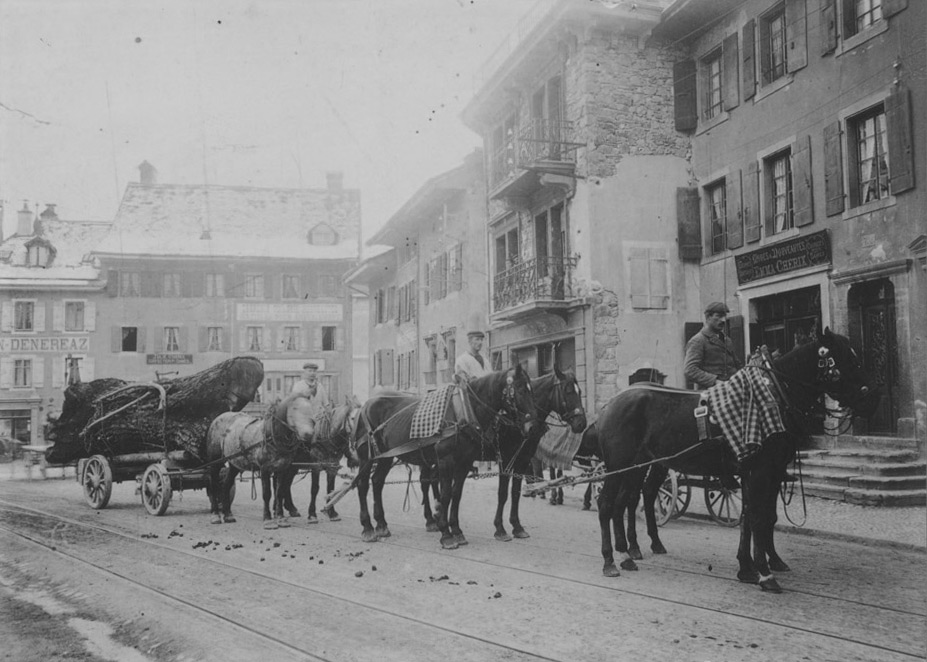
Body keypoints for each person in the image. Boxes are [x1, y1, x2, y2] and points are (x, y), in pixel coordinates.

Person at [684, 301, 742, 391]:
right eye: (718, 316)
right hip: (712, 394)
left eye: (724, 316)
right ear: (708, 317)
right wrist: (715, 381)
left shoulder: (727, 340)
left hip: (732, 391)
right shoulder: (698, 340)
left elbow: (737, 365)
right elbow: (690, 370)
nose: (723, 320)